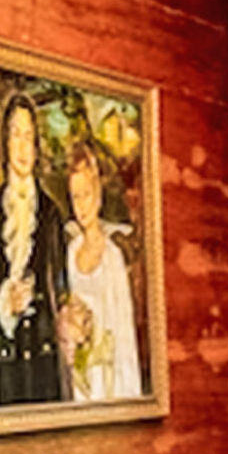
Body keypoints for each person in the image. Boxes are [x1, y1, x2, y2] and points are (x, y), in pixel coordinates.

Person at [0, 94, 68, 405]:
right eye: (16, 134)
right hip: (5, 353)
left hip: (44, 351)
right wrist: (4, 300)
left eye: (29, 136)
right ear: (5, 142)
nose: (23, 146)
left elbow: (62, 284)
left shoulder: (51, 213)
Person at [61, 143, 143, 402]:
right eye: (75, 197)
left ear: (98, 195)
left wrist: (127, 394)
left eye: (86, 194)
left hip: (109, 377)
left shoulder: (111, 256)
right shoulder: (71, 251)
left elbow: (123, 332)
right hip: (80, 372)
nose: (81, 205)